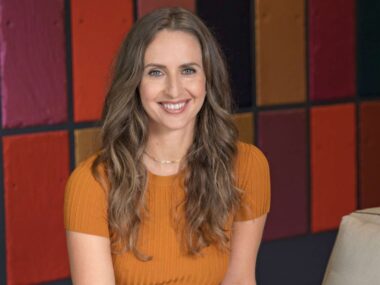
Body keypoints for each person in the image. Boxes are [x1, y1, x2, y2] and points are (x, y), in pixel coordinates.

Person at [64, 7, 270, 285]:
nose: (174, 90)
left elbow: (240, 280)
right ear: (135, 81)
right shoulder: (92, 184)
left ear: (207, 78)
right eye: (156, 72)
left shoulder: (245, 166)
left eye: (188, 70)